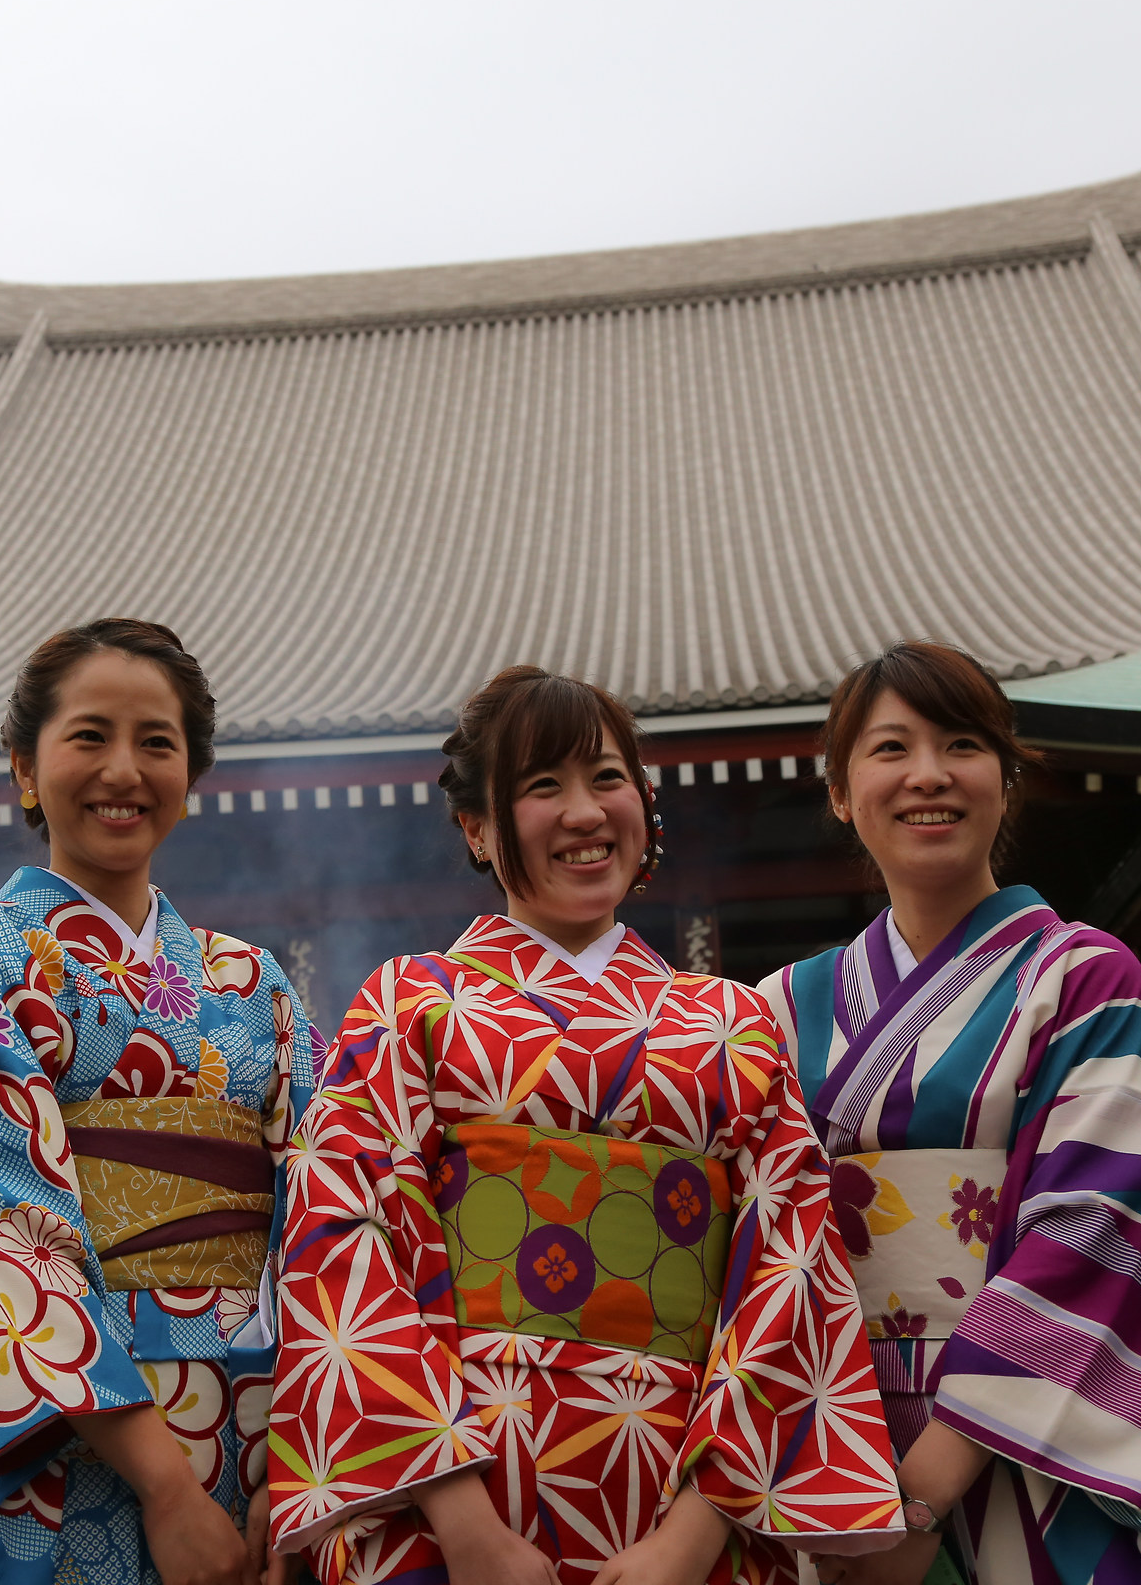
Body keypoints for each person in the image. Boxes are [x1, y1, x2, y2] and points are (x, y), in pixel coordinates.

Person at [267, 666, 903, 1584]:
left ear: (645, 802)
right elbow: (341, 1244)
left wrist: (690, 1540)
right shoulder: (412, 1004)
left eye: (608, 779)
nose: (584, 812)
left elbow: (789, 1266)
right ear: (477, 827)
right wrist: (466, 1529)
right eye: (541, 786)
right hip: (449, 1514)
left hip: (682, 1497)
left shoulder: (734, 1021)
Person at [753, 642, 1141, 1585]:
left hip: (1028, 1449)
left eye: (963, 745)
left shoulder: (1082, 979)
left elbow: (1095, 1228)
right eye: (890, 749)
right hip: (829, 1454)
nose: (928, 775)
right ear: (840, 792)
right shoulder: (777, 1007)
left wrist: (930, 1483)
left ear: (1007, 781)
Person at [0, 619, 321, 1585]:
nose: (124, 770)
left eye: (158, 743)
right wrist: (164, 1486)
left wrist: (296, 1462)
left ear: (193, 778)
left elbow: (328, 1222)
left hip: (255, 1430)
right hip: (71, 1448)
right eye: (89, 736)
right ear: (25, 768)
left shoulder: (254, 984)